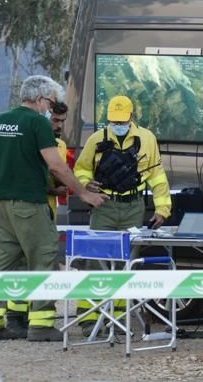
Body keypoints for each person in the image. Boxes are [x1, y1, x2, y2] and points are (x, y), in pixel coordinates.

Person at [0, 75, 107, 342]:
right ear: (40, 99)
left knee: (0, 264)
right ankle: (41, 325)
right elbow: (56, 165)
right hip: (29, 205)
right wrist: (82, 192)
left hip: (0, 206)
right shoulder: (37, 123)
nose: (52, 108)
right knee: (45, 257)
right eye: (51, 102)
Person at [73, 95, 172, 328]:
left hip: (133, 207)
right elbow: (81, 169)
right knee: (97, 260)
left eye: (122, 120)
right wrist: (86, 184)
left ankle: (116, 319)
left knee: (126, 262)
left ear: (131, 117)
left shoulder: (147, 139)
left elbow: (157, 178)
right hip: (104, 205)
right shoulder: (97, 139)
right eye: (113, 121)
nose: (118, 125)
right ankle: (89, 317)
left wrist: (163, 209)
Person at [47, 101, 70, 218]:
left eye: (62, 121)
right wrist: (54, 191)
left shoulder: (61, 145)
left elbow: (60, 180)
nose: (60, 126)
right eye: (55, 120)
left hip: (51, 211)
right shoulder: (32, 142)